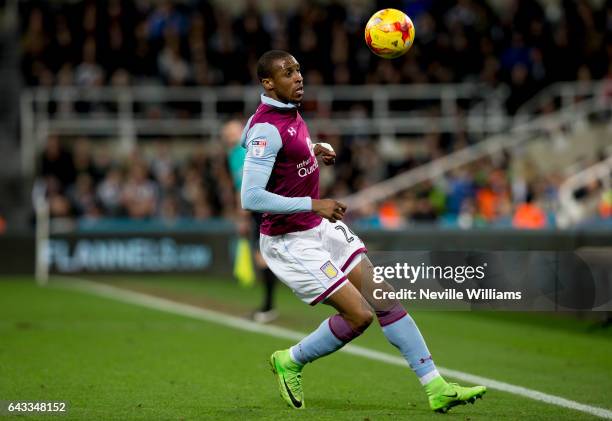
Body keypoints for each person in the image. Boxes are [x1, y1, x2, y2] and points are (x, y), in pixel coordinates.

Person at [240, 50, 486, 413]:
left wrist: (310, 150)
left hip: (317, 228)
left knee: (383, 296)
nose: (298, 77)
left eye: (298, 70)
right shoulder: (267, 128)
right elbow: (251, 196)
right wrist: (314, 204)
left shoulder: (286, 112)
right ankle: (290, 360)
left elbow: (270, 145)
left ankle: (436, 386)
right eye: (288, 73)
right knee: (359, 316)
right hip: (288, 241)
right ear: (267, 83)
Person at [222, 118, 279, 323]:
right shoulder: (235, 154)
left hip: (265, 207)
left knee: (264, 256)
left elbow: (247, 186)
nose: (230, 136)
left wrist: (242, 217)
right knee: (264, 256)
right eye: (227, 133)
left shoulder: (245, 151)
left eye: (233, 131)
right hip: (261, 207)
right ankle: (268, 306)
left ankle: (268, 307)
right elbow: (241, 186)